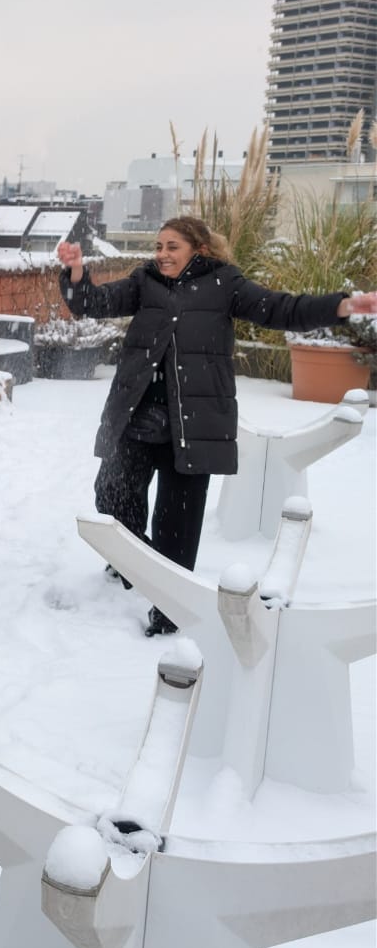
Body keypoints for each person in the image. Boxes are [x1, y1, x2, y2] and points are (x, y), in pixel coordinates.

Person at [57, 216, 377, 635]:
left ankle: (169, 611)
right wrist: (76, 273)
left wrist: (341, 306)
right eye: (158, 246)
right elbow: (91, 303)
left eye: (172, 246)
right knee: (112, 496)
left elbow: (280, 308)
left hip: (194, 425)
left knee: (178, 523)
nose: (162, 254)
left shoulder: (227, 284)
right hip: (137, 416)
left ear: (199, 249)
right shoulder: (144, 282)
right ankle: (135, 563)